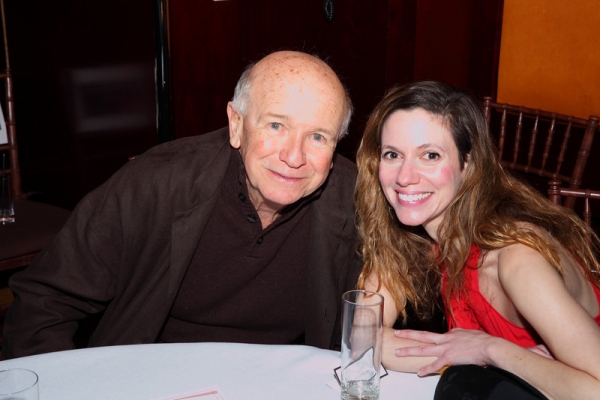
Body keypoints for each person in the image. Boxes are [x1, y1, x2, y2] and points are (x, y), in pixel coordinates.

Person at [3, 51, 362, 358]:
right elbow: (43, 302)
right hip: (155, 380)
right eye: (275, 125)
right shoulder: (157, 183)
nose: (294, 156)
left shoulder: (356, 200)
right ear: (236, 125)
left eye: (317, 136)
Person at [354, 80, 600, 399]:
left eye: (430, 155)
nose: (404, 176)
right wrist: (480, 358)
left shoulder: (516, 259)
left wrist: (492, 351)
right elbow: (363, 336)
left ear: (466, 166)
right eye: (392, 154)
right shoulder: (415, 237)